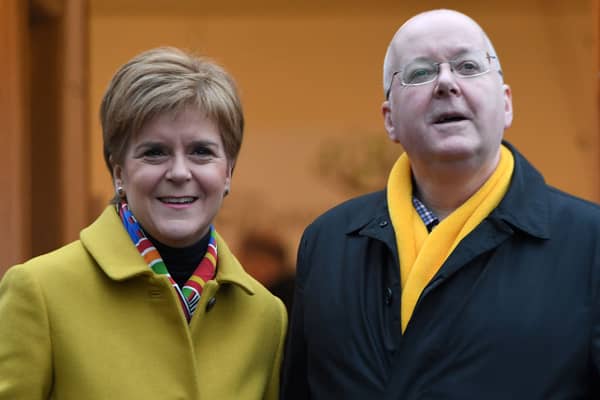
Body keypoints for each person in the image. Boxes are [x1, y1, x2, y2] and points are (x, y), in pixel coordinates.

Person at [281, 9, 600, 399]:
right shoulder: (329, 242)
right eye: (419, 73)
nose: (446, 83)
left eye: (467, 66)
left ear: (506, 104)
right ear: (390, 120)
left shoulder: (588, 242)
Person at [0, 47, 287, 399]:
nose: (180, 172)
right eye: (155, 152)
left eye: (201, 151)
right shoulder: (40, 291)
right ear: (119, 172)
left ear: (227, 171)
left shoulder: (265, 315)